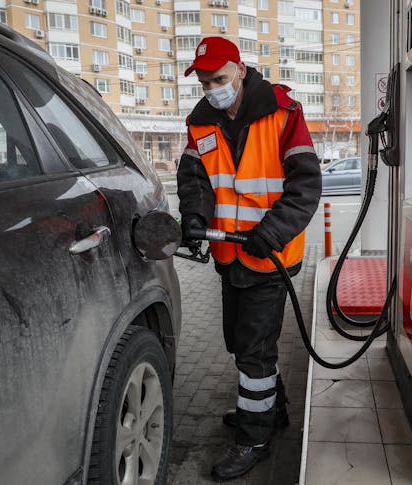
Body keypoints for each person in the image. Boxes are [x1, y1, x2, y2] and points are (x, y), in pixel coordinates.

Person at [176, 37, 321, 482]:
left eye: (218, 78)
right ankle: (269, 409)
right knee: (241, 343)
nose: (212, 88)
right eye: (204, 82)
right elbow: (194, 177)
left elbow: (306, 187)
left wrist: (272, 232)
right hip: (230, 253)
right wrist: (194, 218)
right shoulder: (200, 122)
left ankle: (254, 437)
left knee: (254, 352)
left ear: (240, 69)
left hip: (269, 256)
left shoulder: (284, 113)